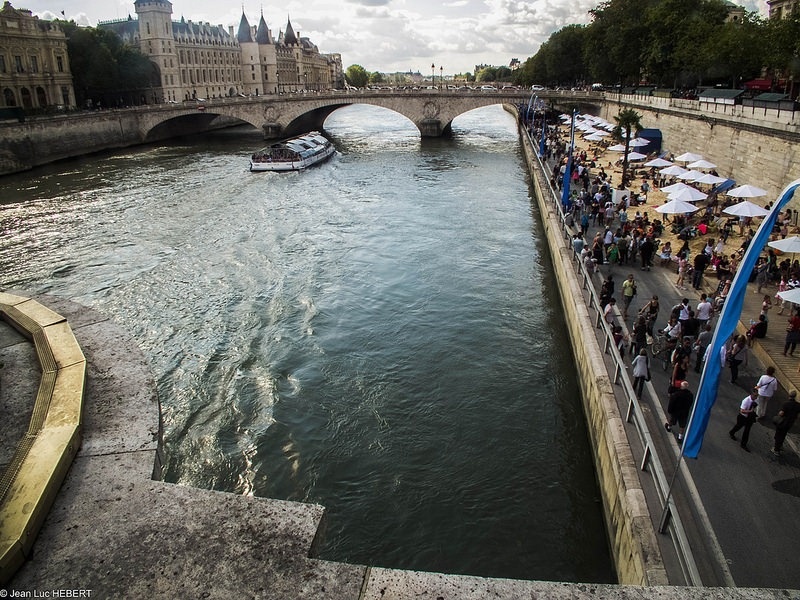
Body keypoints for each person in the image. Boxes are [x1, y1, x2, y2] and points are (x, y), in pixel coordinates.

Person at [772, 390, 800, 455]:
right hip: (790, 423)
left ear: (789, 395)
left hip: (783, 422)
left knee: (778, 435)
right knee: (783, 434)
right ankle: (780, 445)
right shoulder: (798, 405)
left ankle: (776, 449)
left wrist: (779, 414)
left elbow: (781, 413)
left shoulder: (786, 404)